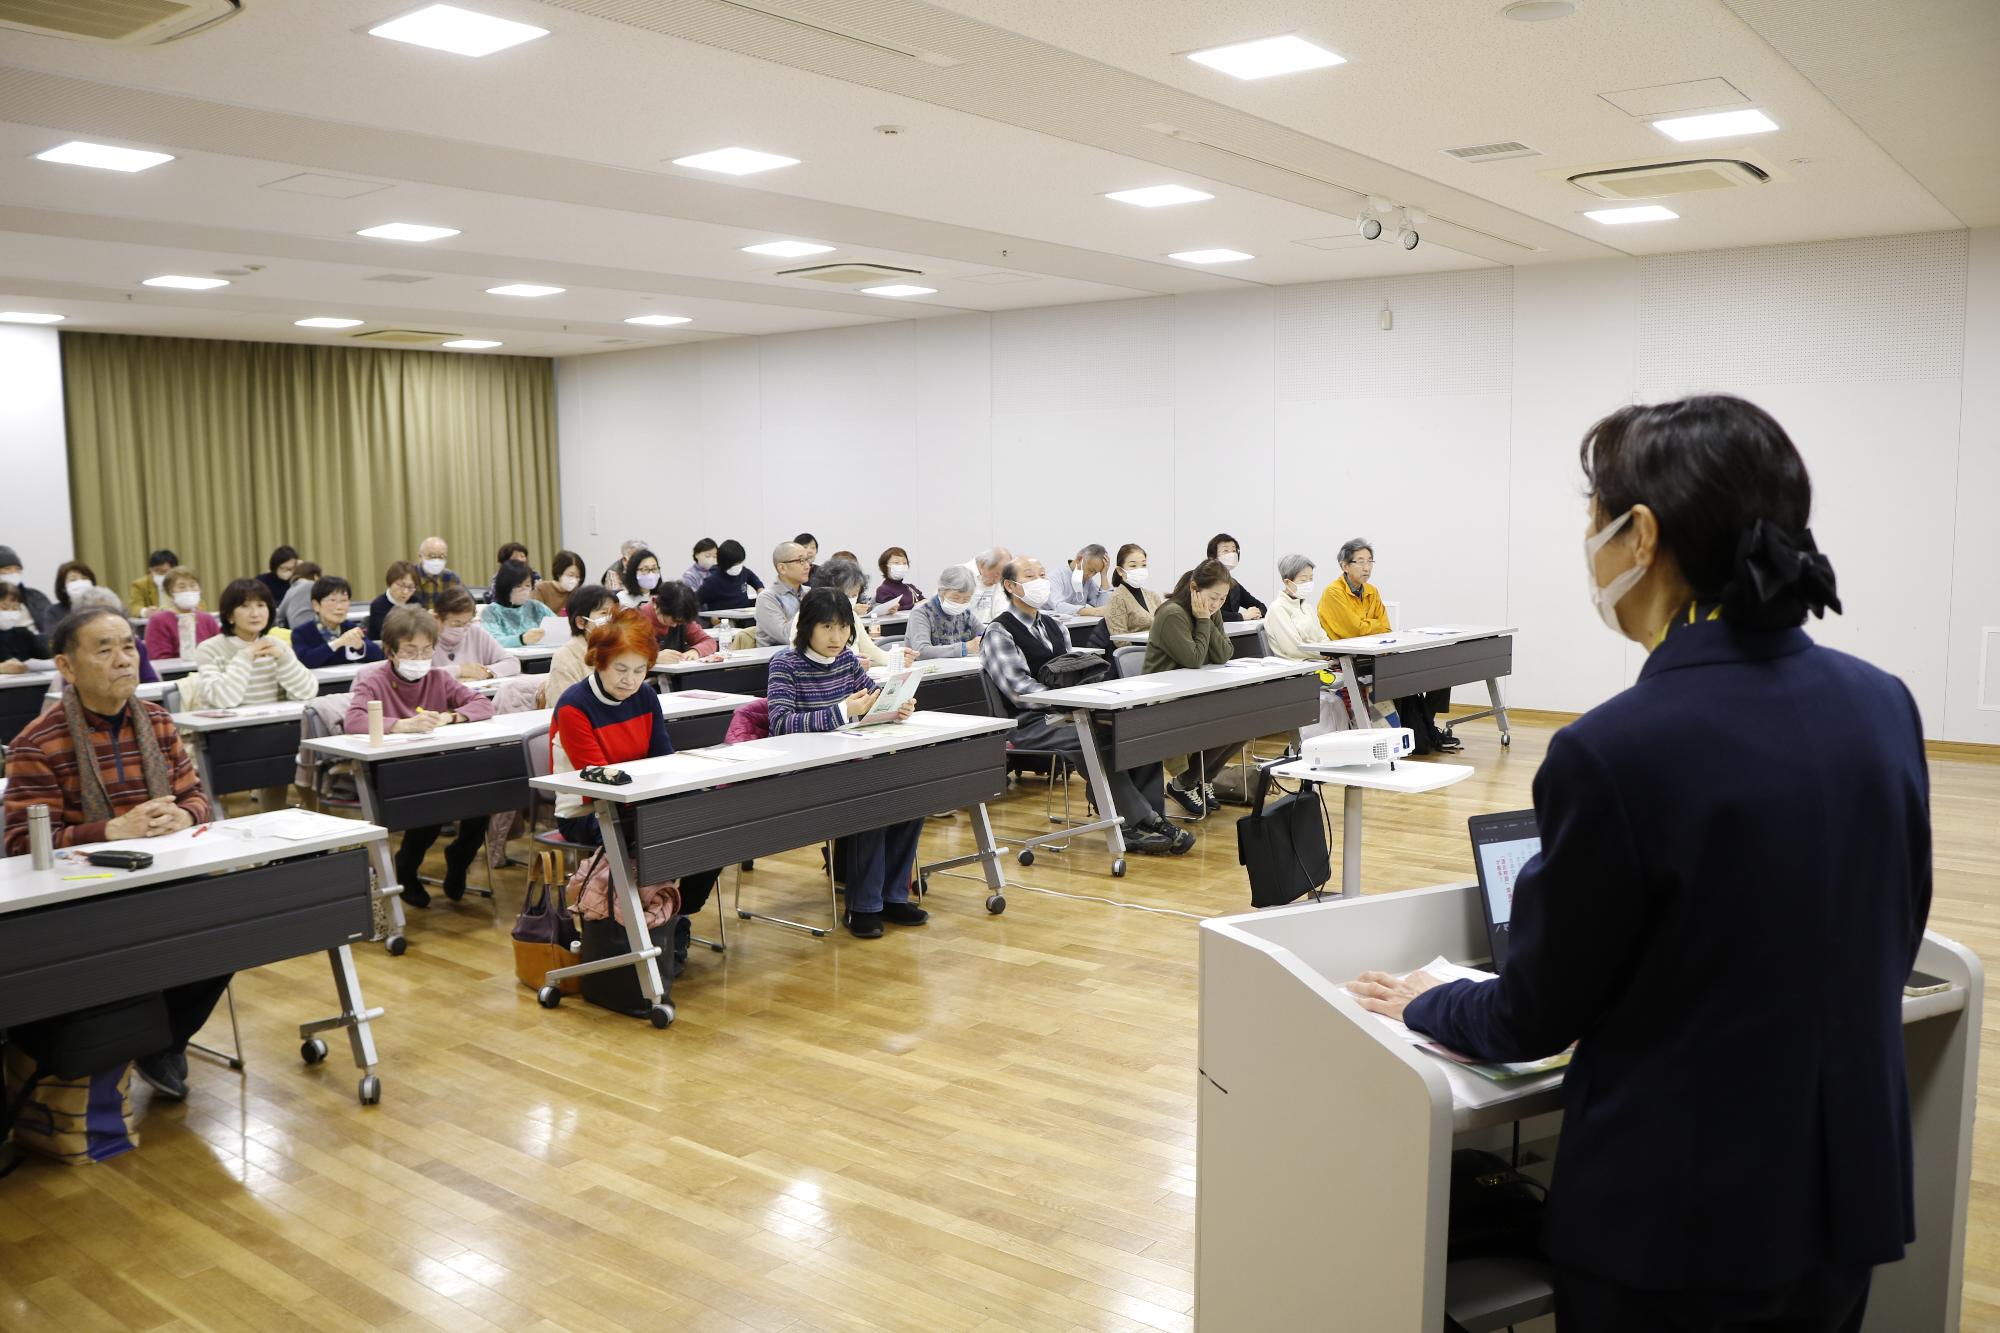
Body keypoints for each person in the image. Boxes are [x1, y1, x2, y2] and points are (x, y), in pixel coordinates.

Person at [1348, 395, 1919, 1333]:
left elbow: (1536, 1010)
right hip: (1843, 1197)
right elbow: (1891, 938)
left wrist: (1423, 997)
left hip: (1680, 1228)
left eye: (1592, 520)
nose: (1590, 546)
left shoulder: (1616, 750)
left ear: (1640, 534)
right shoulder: (1882, 704)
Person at [2, 606, 222, 1100]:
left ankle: (164, 1042)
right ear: (66, 666)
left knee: (227, 922)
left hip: (165, 876)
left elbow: (198, 800)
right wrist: (111, 831)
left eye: (128, 646)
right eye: (104, 650)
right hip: (85, 894)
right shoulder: (36, 742)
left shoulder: (159, 722)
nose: (124, 659)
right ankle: (130, 1039)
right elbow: (22, 846)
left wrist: (183, 817)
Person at [549, 610, 725, 973]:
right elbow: (595, 784)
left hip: (641, 801)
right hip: (589, 812)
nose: (631, 681)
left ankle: (674, 917)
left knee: (716, 826)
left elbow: (663, 758)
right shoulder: (573, 706)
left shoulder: (645, 696)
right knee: (655, 837)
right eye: (621, 670)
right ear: (599, 661)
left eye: (640, 670)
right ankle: (655, 927)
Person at [981, 558, 1189, 855]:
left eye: (1042, 574)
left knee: (1135, 732)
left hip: (1071, 713)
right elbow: (1019, 692)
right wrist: (1068, 704)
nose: (1041, 580)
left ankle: (1148, 818)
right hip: (1032, 722)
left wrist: (1084, 700)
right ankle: (1137, 822)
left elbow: (1070, 670)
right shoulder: (1000, 632)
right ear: (1011, 586)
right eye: (1030, 576)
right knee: (1094, 739)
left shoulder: (1055, 626)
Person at [765, 588, 928, 938]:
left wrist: (895, 708)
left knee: (913, 797)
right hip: (806, 772)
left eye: (842, 628)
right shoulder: (785, 663)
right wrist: (842, 711)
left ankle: (892, 896)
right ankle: (863, 907)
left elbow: (872, 700)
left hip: (849, 760)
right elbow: (780, 723)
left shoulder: (846, 662)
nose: (836, 637)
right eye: (827, 627)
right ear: (807, 627)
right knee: (869, 802)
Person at [345, 605, 496, 906]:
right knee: (428, 806)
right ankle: (406, 869)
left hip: (437, 763)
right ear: (390, 651)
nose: (420, 659)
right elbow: (354, 720)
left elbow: (482, 704)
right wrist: (401, 725)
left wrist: (450, 717)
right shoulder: (372, 679)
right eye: (410, 651)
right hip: (394, 770)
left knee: (484, 797)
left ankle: (460, 857)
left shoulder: (438, 678)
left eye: (426, 651)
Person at [1316, 538, 1456, 752]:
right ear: (1345, 566)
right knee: (1399, 675)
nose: (1366, 567)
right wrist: (1372, 626)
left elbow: (1386, 628)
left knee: (1440, 670)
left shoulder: (1371, 591)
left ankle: (1425, 724)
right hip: (1351, 659)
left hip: (1378, 653)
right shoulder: (1333, 593)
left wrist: (1369, 626)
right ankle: (1413, 730)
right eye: (1360, 561)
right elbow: (1354, 631)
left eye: (1370, 561)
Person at [1145, 559, 1240, 816]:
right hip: (1164, 697)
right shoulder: (1172, 614)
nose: (1216, 604)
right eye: (1212, 597)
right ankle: (1183, 782)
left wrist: (1208, 617)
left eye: (1222, 599)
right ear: (1194, 588)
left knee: (1245, 719)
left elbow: (1224, 654)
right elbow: (1195, 659)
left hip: (1193, 691)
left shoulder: (1212, 612)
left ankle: (1201, 780)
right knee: (1223, 719)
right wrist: (1203, 620)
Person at [193, 578, 317, 715]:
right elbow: (223, 701)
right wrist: (246, 656)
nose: (255, 614)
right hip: (229, 731)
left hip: (278, 724)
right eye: (245, 606)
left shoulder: (277, 645)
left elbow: (307, 692)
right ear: (229, 616)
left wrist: (284, 659)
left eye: (261, 605)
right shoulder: (209, 649)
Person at [792, 559, 915, 669]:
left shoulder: (853, 616)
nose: (851, 599)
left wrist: (896, 658)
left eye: (855, 595)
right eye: (847, 594)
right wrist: (850, 664)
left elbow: (870, 650)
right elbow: (802, 657)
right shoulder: (806, 615)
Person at [538, 584, 616, 707]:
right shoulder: (565, 657)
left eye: (613, 613)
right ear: (581, 622)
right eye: (604, 613)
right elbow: (564, 707)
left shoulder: (619, 649)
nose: (611, 619)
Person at [290, 576, 384, 669]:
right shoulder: (301, 632)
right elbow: (306, 661)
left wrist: (360, 646)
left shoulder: (350, 628)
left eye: (344, 600)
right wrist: (337, 643)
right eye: (332, 600)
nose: (339, 607)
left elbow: (378, 656)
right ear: (316, 605)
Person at [70, 586, 160, 683]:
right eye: (104, 651)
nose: (123, 661)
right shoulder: (77, 647)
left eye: (127, 648)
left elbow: (151, 682)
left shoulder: (135, 644)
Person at [431, 586, 520, 680]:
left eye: (467, 623)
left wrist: (485, 672)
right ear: (437, 619)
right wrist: (459, 670)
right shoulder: (423, 637)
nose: (463, 629)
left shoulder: (475, 632)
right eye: (456, 624)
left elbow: (512, 663)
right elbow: (417, 676)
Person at [904, 565, 983, 660]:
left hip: (958, 670)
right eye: (955, 598)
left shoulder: (966, 614)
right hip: (929, 672)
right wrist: (964, 648)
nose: (960, 603)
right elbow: (921, 651)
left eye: (966, 599)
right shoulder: (921, 613)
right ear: (941, 592)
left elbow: (986, 635)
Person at [142, 567, 220, 662]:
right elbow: (159, 659)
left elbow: (219, 650)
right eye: (182, 587)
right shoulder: (158, 621)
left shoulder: (207, 619)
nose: (189, 590)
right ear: (170, 592)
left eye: (193, 585)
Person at [642, 581, 720, 664]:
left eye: (679, 622)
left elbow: (709, 641)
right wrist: (653, 657)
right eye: (673, 620)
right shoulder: (636, 619)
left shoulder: (682, 616)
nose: (675, 625)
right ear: (657, 606)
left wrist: (695, 651)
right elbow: (627, 655)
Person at [1265, 554, 1323, 661]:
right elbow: (1293, 648)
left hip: (1319, 661)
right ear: (1287, 582)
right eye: (1303, 580)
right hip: (1298, 666)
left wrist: (1332, 652)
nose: (1308, 584)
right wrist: (1325, 654)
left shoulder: (1306, 607)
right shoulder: (1277, 609)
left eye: (1311, 579)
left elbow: (1322, 637)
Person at [480, 563, 552, 648]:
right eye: (518, 586)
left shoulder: (536, 607)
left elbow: (557, 625)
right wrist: (521, 639)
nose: (524, 589)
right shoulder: (491, 612)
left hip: (542, 655)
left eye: (527, 585)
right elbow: (493, 641)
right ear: (505, 586)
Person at [755, 541, 812, 646]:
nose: (807, 566)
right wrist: (807, 606)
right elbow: (787, 636)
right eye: (801, 561)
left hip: (808, 655)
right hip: (774, 659)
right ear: (782, 568)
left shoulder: (810, 592)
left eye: (807, 560)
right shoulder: (767, 598)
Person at [1103, 543, 1166, 636]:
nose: (1139, 570)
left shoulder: (1153, 596)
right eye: (1133, 566)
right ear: (1120, 571)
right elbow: (1119, 638)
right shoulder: (1117, 598)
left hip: (1159, 646)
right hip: (1136, 649)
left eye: (1143, 565)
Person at [1205, 533, 1266, 622]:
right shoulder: (1204, 581)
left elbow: (1260, 606)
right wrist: (1242, 616)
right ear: (1213, 556)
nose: (1232, 554)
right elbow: (1209, 612)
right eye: (1226, 550)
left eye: (1234, 551)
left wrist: (1256, 613)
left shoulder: (1234, 584)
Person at [0, 545, 56, 635]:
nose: (13, 573)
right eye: (7, 569)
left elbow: (50, 626)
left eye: (17, 570)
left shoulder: (36, 597)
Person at [695, 539, 764, 612]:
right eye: (734, 564)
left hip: (744, 615)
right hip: (723, 619)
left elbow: (755, 580)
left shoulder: (744, 571)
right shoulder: (712, 581)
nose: (738, 566)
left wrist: (760, 590)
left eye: (739, 563)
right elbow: (695, 602)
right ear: (723, 563)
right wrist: (709, 617)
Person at [1049, 544, 1112, 619]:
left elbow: (1103, 607)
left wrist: (1103, 575)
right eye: (1091, 570)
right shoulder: (1055, 577)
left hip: (1077, 626)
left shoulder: (1088, 580)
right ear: (1079, 559)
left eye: (1095, 573)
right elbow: (1058, 606)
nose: (1091, 576)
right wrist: (1093, 611)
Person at [0, 578, 50, 672]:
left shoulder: (24, 634)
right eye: (4, 608)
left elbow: (45, 658)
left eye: (15, 608)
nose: (10, 613)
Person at [367, 561, 419, 641]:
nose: (405, 591)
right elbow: (390, 634)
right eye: (401, 585)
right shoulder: (378, 605)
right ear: (390, 583)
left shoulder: (416, 602)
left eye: (410, 587)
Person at [964, 546, 1012, 623]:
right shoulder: (959, 575)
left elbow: (1002, 609)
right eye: (996, 575)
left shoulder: (999, 580)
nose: (997, 581)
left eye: (1002, 577)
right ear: (983, 565)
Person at [126, 548, 181, 613]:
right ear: (150, 570)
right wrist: (146, 611)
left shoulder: (183, 583)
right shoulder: (140, 584)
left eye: (165, 571)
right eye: (156, 571)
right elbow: (134, 607)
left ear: (175, 570)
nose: (161, 574)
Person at [412, 536, 459, 609]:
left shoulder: (452, 578)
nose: (436, 560)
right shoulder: (409, 576)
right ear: (420, 557)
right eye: (432, 556)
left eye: (441, 556)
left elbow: (462, 604)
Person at [274, 559, 322, 630]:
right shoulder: (313, 585)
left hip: (295, 632)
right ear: (315, 576)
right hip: (315, 628)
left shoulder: (290, 590)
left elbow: (279, 616)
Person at [535, 549, 586, 614]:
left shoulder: (577, 593)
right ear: (559, 573)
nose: (574, 580)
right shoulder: (541, 589)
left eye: (577, 577)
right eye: (571, 575)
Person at [50, 559, 98, 626]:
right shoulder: (54, 611)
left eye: (84, 578)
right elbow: (52, 635)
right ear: (63, 588)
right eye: (73, 580)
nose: (80, 583)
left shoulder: (101, 605)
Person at [874, 547, 922, 611]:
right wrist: (915, 605)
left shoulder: (910, 587)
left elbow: (924, 602)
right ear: (885, 566)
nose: (901, 566)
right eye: (896, 563)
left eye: (904, 563)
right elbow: (891, 609)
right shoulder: (883, 590)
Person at [617, 547, 664, 612]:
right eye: (645, 569)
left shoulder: (662, 598)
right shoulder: (622, 599)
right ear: (633, 572)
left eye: (654, 568)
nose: (651, 574)